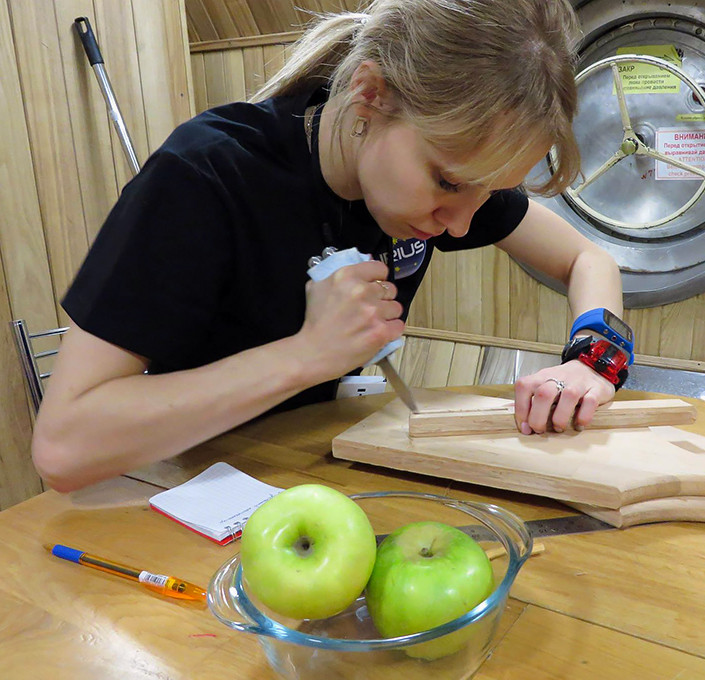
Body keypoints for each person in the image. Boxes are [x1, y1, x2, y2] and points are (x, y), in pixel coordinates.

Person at [32, 0, 627, 493]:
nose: (461, 224)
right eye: (446, 183)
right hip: (164, 486)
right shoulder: (205, 176)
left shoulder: (456, 175)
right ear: (371, 92)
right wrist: (309, 355)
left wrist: (594, 359)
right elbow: (63, 447)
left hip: (290, 473)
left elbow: (587, 259)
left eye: (490, 191)